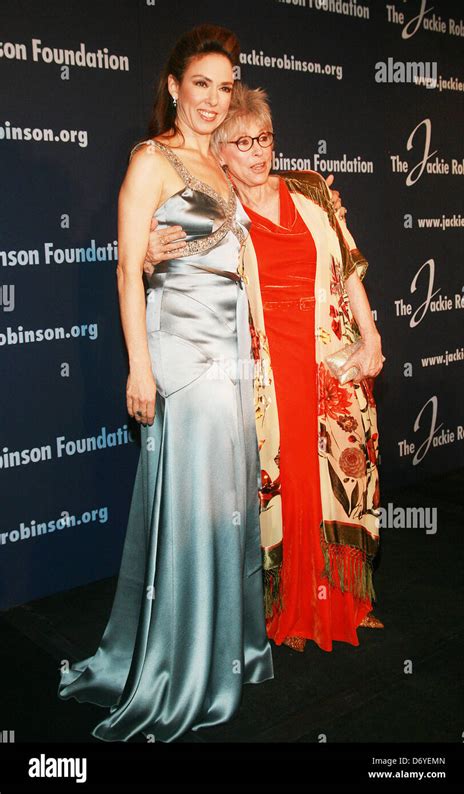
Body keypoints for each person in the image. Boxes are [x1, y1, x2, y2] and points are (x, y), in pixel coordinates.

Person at [57, 27, 273, 743]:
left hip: (232, 356)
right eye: (201, 84)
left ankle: (223, 650)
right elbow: (127, 268)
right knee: (194, 509)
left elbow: (248, 233)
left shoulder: (217, 160)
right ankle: (180, 668)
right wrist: (140, 366)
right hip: (182, 358)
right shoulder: (150, 159)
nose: (214, 99)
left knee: (225, 507)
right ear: (174, 87)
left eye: (225, 84)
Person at [144, 82, 384, 654]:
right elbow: (159, 262)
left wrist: (373, 336)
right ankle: (290, 610)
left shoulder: (311, 191)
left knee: (337, 482)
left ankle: (344, 603)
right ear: (219, 151)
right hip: (261, 369)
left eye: (265, 138)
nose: (258, 151)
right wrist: (150, 251)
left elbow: (349, 267)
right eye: (242, 141)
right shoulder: (211, 204)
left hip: (329, 358)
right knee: (284, 482)